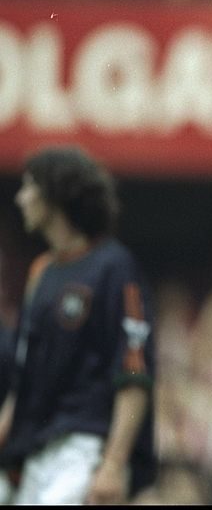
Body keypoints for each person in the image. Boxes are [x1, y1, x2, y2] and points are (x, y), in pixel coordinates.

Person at [0, 147, 157, 504]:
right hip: (33, 449)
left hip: (84, 450)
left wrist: (114, 465)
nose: (20, 198)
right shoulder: (40, 273)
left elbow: (134, 372)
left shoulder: (114, 268)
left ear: (54, 195)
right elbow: (24, 374)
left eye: (28, 187)